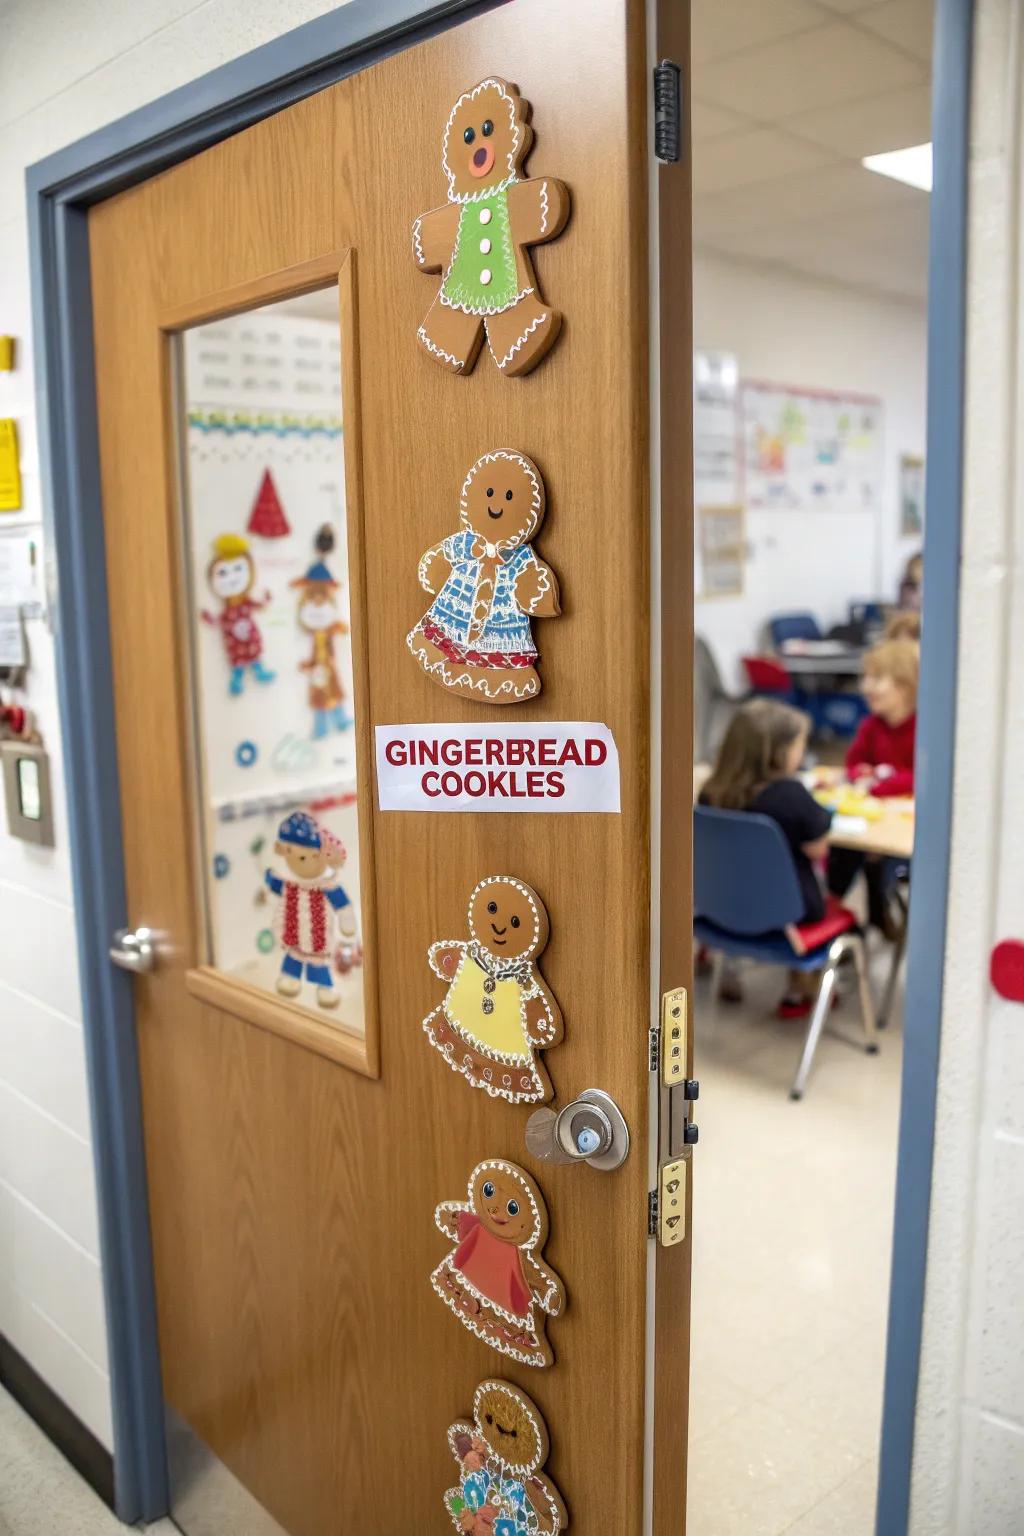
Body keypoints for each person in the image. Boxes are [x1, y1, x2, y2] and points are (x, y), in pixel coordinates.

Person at [699, 699, 833, 1019]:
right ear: (778, 752)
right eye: (800, 745)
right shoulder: (791, 794)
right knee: (836, 880)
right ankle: (800, 986)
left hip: (721, 909)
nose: (803, 752)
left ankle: (731, 966)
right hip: (792, 914)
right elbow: (818, 849)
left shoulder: (711, 791)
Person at [827, 638, 918, 936]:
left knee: (881, 862)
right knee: (844, 849)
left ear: (905, 686)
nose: (866, 687)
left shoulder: (922, 728)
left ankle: (879, 912)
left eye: (877, 679)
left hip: (903, 829)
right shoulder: (871, 725)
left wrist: (879, 781)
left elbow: (920, 777)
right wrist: (861, 774)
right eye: (865, 678)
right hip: (870, 820)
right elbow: (853, 763)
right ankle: (834, 910)